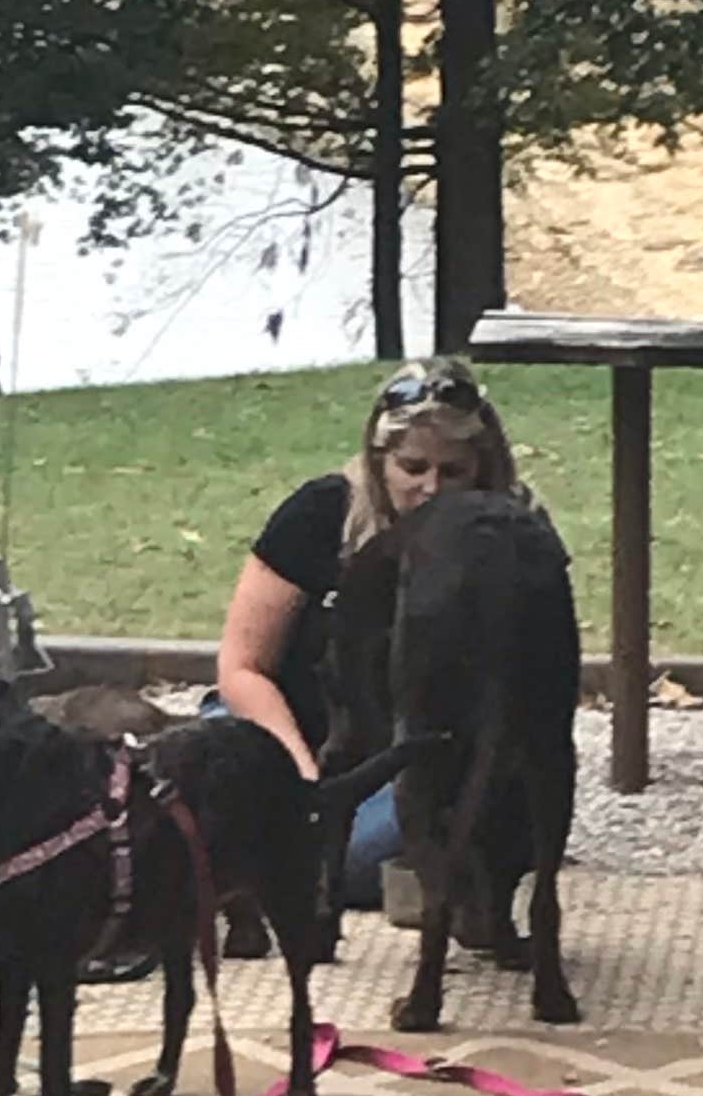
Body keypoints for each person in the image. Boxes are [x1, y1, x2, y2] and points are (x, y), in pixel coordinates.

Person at [214, 357, 529, 907]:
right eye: (413, 468)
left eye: (453, 472)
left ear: (482, 470)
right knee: (211, 792)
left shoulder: (508, 534)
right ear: (379, 460)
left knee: (357, 855)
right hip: (286, 731)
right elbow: (242, 667)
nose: (431, 488)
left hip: (410, 762)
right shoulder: (319, 512)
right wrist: (302, 774)